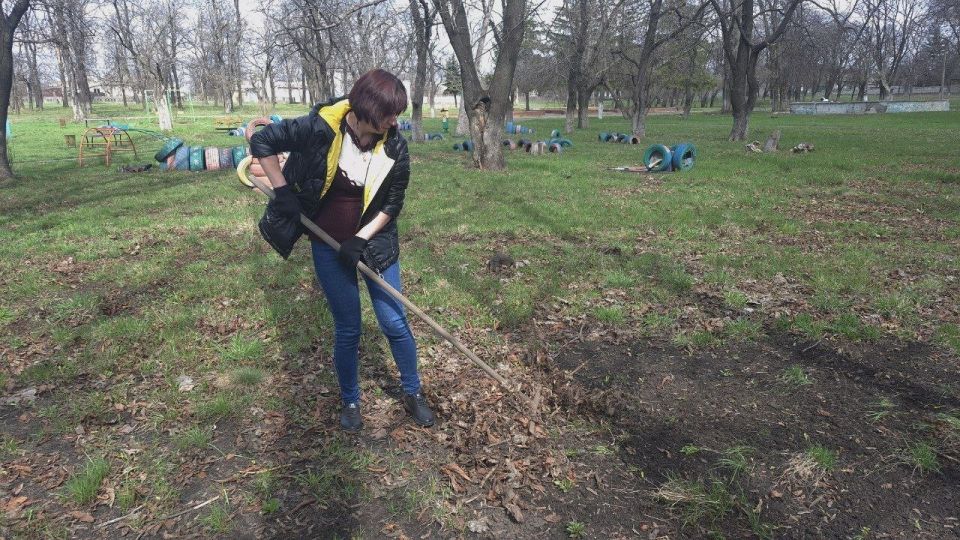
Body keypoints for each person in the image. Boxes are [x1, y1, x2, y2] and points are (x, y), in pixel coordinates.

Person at [250, 69, 435, 432]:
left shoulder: (394, 144)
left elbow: (392, 203)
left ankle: (413, 391)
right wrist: (283, 190)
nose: (395, 121)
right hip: (327, 244)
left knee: (394, 321)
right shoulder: (319, 128)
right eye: (389, 113)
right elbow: (263, 143)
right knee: (348, 328)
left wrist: (362, 238)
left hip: (375, 243)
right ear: (366, 109)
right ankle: (350, 400)